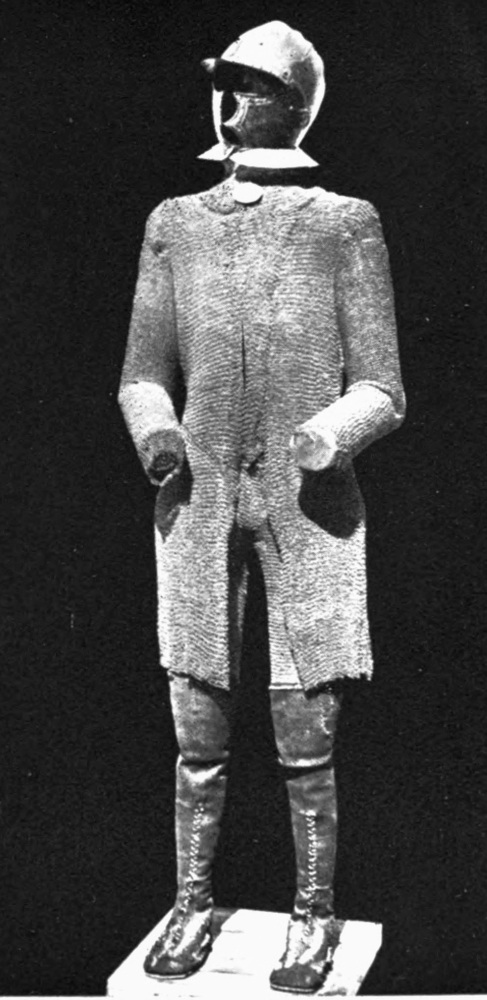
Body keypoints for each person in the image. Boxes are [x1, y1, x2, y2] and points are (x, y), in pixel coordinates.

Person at [119, 20, 405, 994]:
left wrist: (328, 434)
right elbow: (142, 373)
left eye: (248, 85)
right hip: (196, 498)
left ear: (293, 102)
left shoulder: (342, 224)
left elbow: (381, 385)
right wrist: (158, 432)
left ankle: (313, 915)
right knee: (195, 726)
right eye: (224, 84)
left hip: (307, 501)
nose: (227, 102)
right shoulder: (175, 222)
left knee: (305, 727)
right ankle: (191, 901)